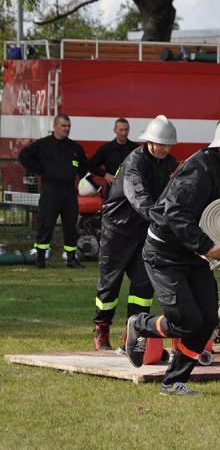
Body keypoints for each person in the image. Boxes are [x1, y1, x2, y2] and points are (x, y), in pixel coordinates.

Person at [125, 112, 220, 396]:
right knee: (187, 321)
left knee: (208, 320)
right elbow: (176, 212)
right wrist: (207, 247)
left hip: (193, 254)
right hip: (164, 254)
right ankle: (139, 323)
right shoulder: (199, 169)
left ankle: (173, 382)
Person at [91, 116, 178, 351]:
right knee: (109, 284)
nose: (165, 149)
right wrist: (160, 218)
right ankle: (101, 328)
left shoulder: (171, 163)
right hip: (117, 229)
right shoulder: (134, 162)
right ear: (149, 141)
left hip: (145, 230)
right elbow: (138, 196)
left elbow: (177, 194)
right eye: (161, 144)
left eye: (169, 145)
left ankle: (135, 334)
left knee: (143, 285)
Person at [19, 114, 89, 269]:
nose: (67, 129)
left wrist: (82, 179)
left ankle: (71, 259)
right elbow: (23, 156)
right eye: (64, 126)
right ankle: (40, 259)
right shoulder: (43, 145)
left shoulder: (75, 147)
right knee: (46, 225)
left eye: (69, 126)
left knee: (71, 227)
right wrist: (40, 169)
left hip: (69, 191)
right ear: (55, 126)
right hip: (50, 190)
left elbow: (84, 166)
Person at [87, 118, 138, 195]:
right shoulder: (106, 149)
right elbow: (91, 165)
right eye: (121, 130)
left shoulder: (136, 149)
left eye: (126, 130)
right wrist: (105, 175)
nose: (124, 133)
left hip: (132, 193)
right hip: (112, 192)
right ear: (115, 130)